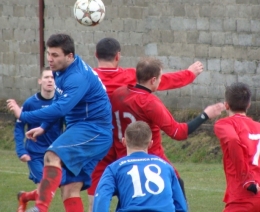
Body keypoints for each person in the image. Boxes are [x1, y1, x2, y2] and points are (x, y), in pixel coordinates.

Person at [87, 37, 204, 210]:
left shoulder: (88, 77)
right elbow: (164, 80)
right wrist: (189, 73)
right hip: (136, 146)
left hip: (102, 142)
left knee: (98, 192)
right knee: (167, 184)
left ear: (96, 54)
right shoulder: (128, 77)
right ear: (118, 56)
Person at [7, 34, 113, 212]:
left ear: (70, 56)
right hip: (85, 129)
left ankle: (40, 208)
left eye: (55, 55)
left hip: (93, 130)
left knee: (52, 155)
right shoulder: (61, 70)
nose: (50, 59)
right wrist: (44, 127)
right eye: (49, 54)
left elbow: (61, 109)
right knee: (69, 189)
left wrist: (24, 115)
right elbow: (58, 100)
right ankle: (32, 200)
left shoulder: (77, 77)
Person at [109, 57, 225, 200]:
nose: (160, 81)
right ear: (153, 80)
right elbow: (178, 132)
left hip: (123, 161)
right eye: (160, 78)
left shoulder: (118, 94)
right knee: (176, 189)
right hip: (151, 162)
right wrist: (205, 115)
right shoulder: (150, 103)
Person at [93, 121, 187, 212]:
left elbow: (101, 198)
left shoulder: (114, 168)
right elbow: (180, 205)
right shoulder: (166, 166)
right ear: (150, 144)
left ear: (124, 142)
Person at [14, 67, 63, 212]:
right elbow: (19, 126)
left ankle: (25, 197)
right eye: (46, 77)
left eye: (52, 78)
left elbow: (69, 125)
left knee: (51, 189)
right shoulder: (30, 103)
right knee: (45, 188)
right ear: (40, 81)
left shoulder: (61, 103)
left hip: (55, 154)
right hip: (35, 154)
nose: (50, 80)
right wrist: (20, 150)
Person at [214, 82, 260, 212]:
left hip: (242, 196)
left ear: (226, 105)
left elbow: (232, 139)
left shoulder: (224, 124)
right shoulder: (258, 126)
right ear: (248, 105)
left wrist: (247, 180)